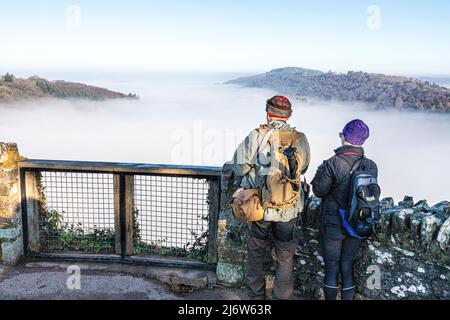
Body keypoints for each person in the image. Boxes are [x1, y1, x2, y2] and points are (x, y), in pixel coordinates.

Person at [231, 95, 310, 300]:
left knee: (256, 255)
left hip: (259, 208)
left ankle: (256, 300)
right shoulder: (300, 139)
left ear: (268, 113)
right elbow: (305, 167)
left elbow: (239, 168)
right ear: (289, 115)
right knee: (285, 257)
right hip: (288, 208)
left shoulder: (257, 135)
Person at [311, 119, 378, 300]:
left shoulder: (332, 163)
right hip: (357, 223)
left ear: (344, 137)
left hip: (333, 225)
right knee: (347, 267)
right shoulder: (371, 166)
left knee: (331, 268)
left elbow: (319, 191)